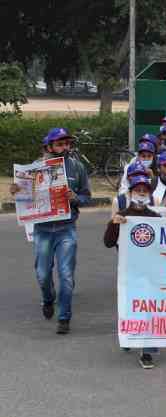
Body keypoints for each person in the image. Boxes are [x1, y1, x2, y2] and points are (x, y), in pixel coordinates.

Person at [9, 128, 91, 334]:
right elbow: (24, 199)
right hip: (43, 229)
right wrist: (16, 191)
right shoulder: (34, 169)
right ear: (49, 147)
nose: (64, 148)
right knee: (43, 274)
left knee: (66, 275)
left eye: (67, 144)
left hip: (66, 229)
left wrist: (76, 198)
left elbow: (87, 196)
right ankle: (48, 299)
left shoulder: (77, 167)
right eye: (59, 144)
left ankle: (64, 318)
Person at [104, 175, 166, 369]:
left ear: (150, 195)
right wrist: (114, 224)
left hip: (150, 272)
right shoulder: (123, 214)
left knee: (149, 309)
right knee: (131, 307)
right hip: (129, 271)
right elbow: (108, 242)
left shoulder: (154, 217)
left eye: (145, 190)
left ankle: (147, 352)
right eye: (138, 190)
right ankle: (129, 337)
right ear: (130, 193)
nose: (141, 193)